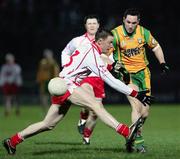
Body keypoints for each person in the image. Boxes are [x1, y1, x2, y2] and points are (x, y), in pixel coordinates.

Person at [3, 29, 153, 155]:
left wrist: (112, 66)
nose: (110, 45)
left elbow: (97, 62)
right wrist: (135, 93)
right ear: (100, 42)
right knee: (95, 105)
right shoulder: (92, 55)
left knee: (48, 124)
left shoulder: (89, 47)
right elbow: (110, 80)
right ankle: (126, 132)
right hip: (67, 85)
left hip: (62, 84)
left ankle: (13, 141)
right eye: (109, 43)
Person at [111, 8, 169, 152]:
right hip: (126, 76)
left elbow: (156, 47)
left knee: (145, 112)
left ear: (138, 22)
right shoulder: (115, 34)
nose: (130, 25)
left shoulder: (143, 32)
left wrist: (162, 63)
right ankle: (140, 142)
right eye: (128, 22)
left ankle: (131, 134)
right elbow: (106, 53)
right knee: (136, 106)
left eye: (133, 23)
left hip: (143, 74)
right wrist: (113, 66)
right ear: (123, 20)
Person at [61, 14, 100, 137]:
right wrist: (67, 66)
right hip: (83, 77)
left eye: (94, 23)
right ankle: (83, 118)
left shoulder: (103, 41)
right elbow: (65, 52)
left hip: (98, 78)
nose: (92, 26)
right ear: (85, 26)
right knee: (89, 105)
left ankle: (86, 135)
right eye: (89, 23)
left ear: (98, 25)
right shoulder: (77, 41)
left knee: (95, 112)